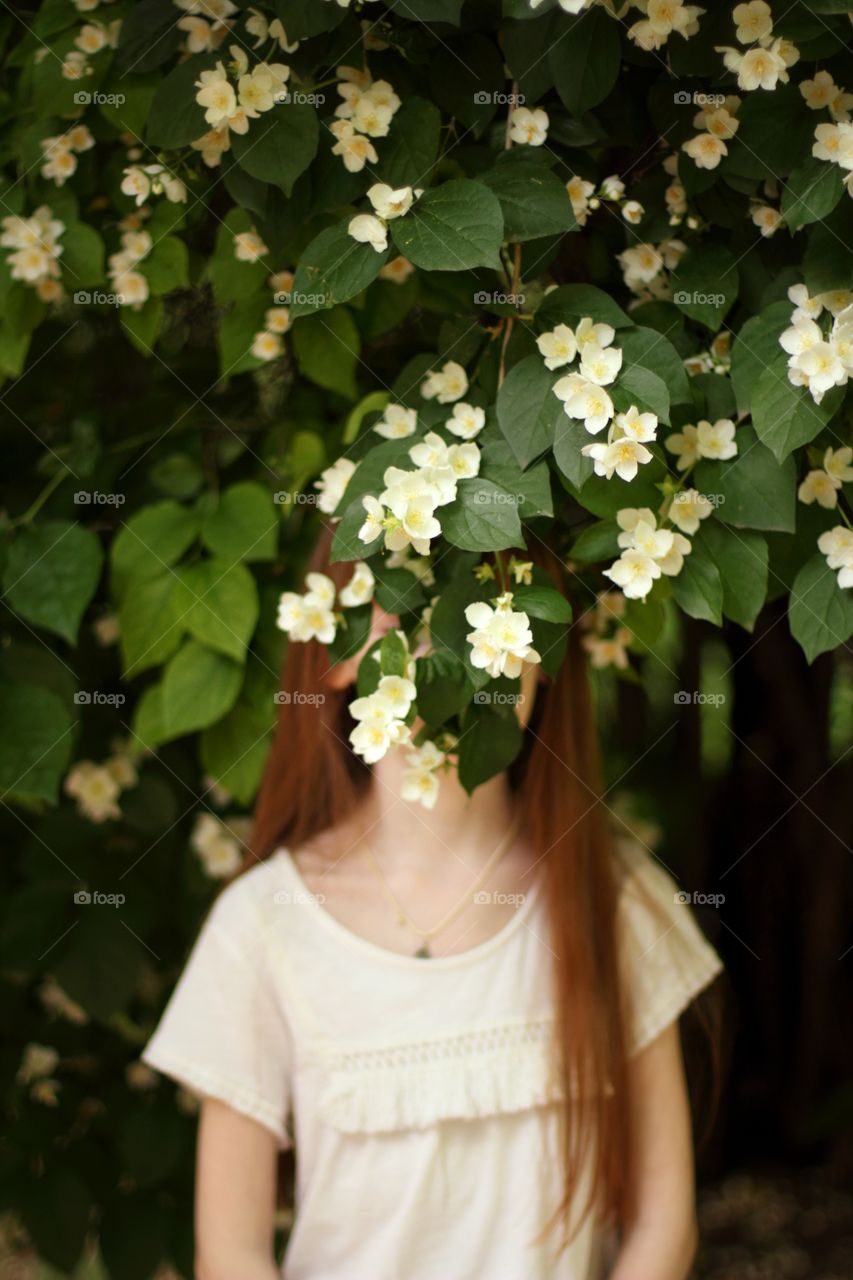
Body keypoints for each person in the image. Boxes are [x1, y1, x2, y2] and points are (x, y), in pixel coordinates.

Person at [142, 531, 723, 1280]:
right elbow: (231, 1255)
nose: (449, 673)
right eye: (403, 633)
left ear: (544, 661)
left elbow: (662, 1228)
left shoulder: (616, 901)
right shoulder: (263, 924)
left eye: (488, 624)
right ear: (337, 653)